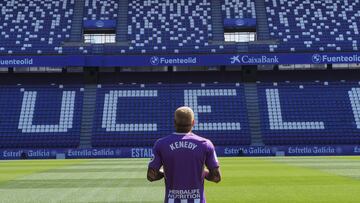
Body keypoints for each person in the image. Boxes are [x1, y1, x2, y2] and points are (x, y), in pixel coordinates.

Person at [147, 106, 221, 203]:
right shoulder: (205, 144)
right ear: (193, 122)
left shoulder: (161, 144)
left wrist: (166, 172)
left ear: (174, 122)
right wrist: (203, 172)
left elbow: (151, 176)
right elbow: (216, 177)